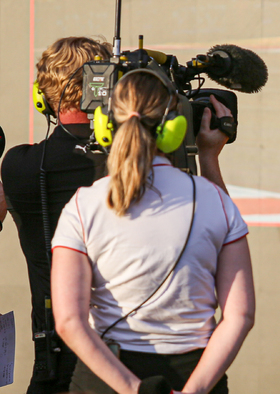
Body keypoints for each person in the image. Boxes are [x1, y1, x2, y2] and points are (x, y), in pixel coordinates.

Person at [50, 69, 255, 394]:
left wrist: (134, 389)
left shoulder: (83, 204)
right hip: (196, 372)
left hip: (104, 378)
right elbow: (240, 316)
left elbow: (68, 321)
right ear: (173, 128)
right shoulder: (216, 201)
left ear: (106, 125)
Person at [1, 36, 112, 393]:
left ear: (42, 96)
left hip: (53, 361)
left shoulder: (18, 165)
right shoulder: (138, 166)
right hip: (129, 361)